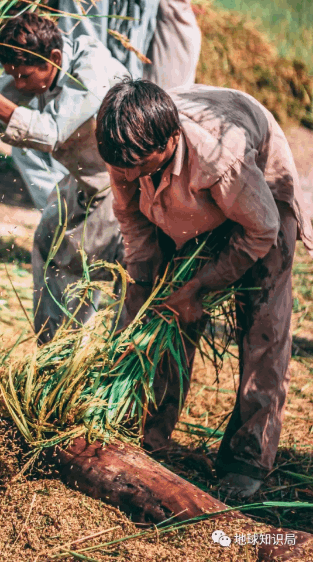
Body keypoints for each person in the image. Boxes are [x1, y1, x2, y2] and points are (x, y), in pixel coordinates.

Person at [95, 79, 313, 498]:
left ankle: (247, 458)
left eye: (136, 166)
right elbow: (133, 223)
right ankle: (150, 436)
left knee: (263, 329)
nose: (125, 175)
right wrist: (143, 289)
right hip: (193, 208)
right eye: (120, 165)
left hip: (258, 198)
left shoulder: (219, 156)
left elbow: (261, 229)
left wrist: (200, 285)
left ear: (171, 139)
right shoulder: (124, 146)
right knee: (165, 316)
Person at [0, 12, 128, 343]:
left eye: (24, 76)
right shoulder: (33, 71)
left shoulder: (92, 70)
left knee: (91, 266)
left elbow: (50, 134)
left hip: (119, 184)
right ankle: (49, 348)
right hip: (80, 179)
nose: (17, 84)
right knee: (47, 243)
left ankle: (82, 355)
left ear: (54, 59)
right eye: (11, 76)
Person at [12, 0, 163, 209]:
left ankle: (60, 220)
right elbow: (151, 17)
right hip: (129, 80)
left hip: (83, 78)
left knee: (35, 145)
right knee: (112, 167)